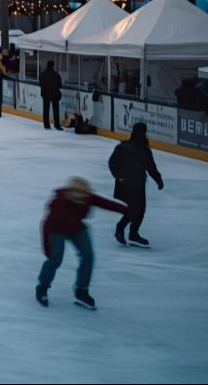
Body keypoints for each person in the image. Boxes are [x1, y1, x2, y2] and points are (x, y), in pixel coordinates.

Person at [37, 176, 125, 310]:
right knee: (55, 260)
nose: (81, 199)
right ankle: (42, 287)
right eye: (78, 196)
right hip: (57, 231)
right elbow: (47, 225)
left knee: (88, 256)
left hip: (77, 229)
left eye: (83, 196)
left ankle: (82, 291)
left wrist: (126, 210)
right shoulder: (58, 203)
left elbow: (106, 204)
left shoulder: (88, 197)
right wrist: (47, 246)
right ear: (70, 193)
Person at [109, 122, 163, 247]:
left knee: (139, 209)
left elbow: (150, 167)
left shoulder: (142, 149)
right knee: (135, 209)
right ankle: (123, 229)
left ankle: (132, 232)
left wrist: (158, 179)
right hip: (128, 183)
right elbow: (113, 162)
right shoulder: (125, 147)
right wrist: (119, 175)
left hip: (136, 183)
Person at [40, 61, 64, 130]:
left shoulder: (43, 74)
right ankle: (57, 125)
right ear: (53, 66)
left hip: (46, 94)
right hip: (55, 94)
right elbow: (60, 85)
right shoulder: (56, 75)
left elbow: (41, 84)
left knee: (46, 110)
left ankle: (46, 125)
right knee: (56, 110)